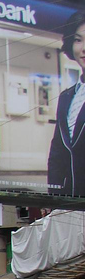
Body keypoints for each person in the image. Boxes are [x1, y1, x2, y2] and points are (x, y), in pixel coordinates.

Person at [49, 10, 85, 197]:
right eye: (78, 40)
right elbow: (57, 151)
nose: (83, 48)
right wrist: (53, 196)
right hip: (70, 204)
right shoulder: (66, 97)